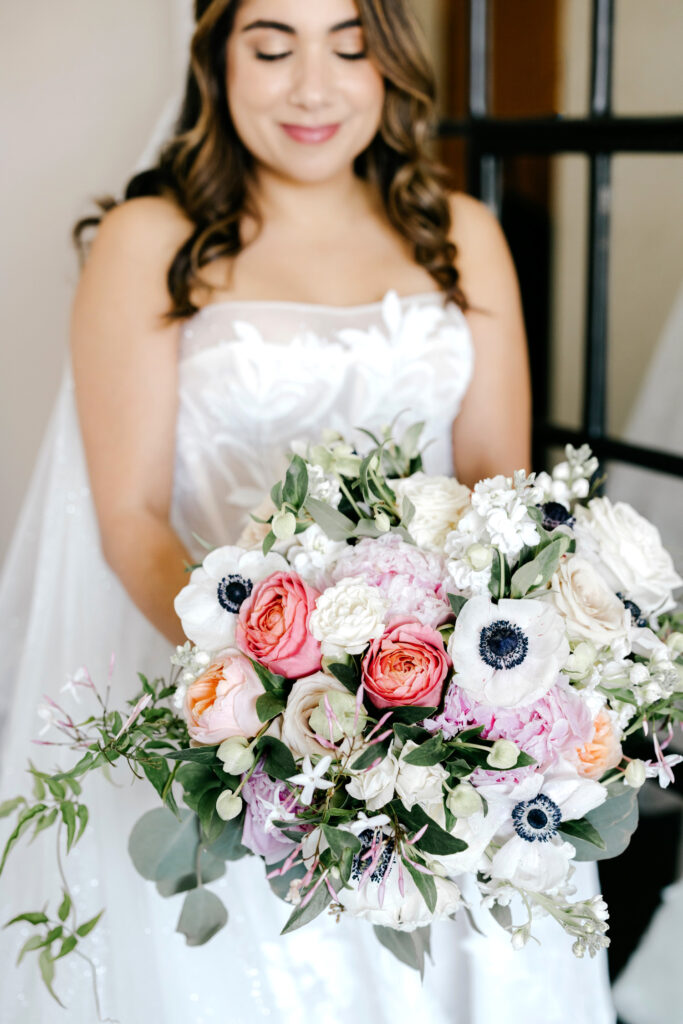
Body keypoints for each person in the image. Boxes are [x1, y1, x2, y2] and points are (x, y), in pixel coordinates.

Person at [0, 0, 616, 1021]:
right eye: (272, 45)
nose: (312, 87)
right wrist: (270, 699)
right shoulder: (151, 239)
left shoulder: (458, 233)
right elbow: (132, 516)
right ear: (216, 58)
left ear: (389, 62)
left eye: (348, 44)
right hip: (240, 735)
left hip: (445, 728)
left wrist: (440, 718)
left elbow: (495, 495)